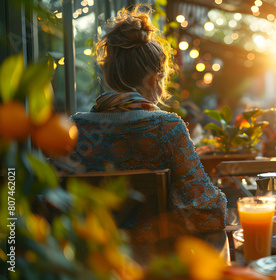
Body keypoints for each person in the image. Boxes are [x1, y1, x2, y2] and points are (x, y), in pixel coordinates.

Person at [68, 5, 227, 261]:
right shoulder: (167, 128)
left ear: (108, 75)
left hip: (86, 266)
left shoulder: (73, 129)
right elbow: (208, 213)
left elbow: (50, 206)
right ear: (154, 79)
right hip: (154, 268)